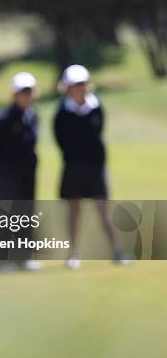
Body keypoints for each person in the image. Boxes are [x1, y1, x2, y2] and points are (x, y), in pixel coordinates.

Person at [54, 64, 129, 269]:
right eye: (76, 85)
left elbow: (98, 133)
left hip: (96, 167)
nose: (81, 88)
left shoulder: (96, 107)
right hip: (73, 166)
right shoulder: (62, 113)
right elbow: (61, 141)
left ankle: (117, 251)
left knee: (103, 209)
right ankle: (73, 254)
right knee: (74, 209)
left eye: (83, 84)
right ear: (68, 88)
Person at [0, 72, 43, 272]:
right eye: (22, 92)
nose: (26, 95)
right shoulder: (5, 118)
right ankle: (3, 261)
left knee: (26, 214)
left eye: (29, 92)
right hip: (8, 175)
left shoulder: (33, 115)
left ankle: (24, 258)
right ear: (15, 94)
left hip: (28, 174)